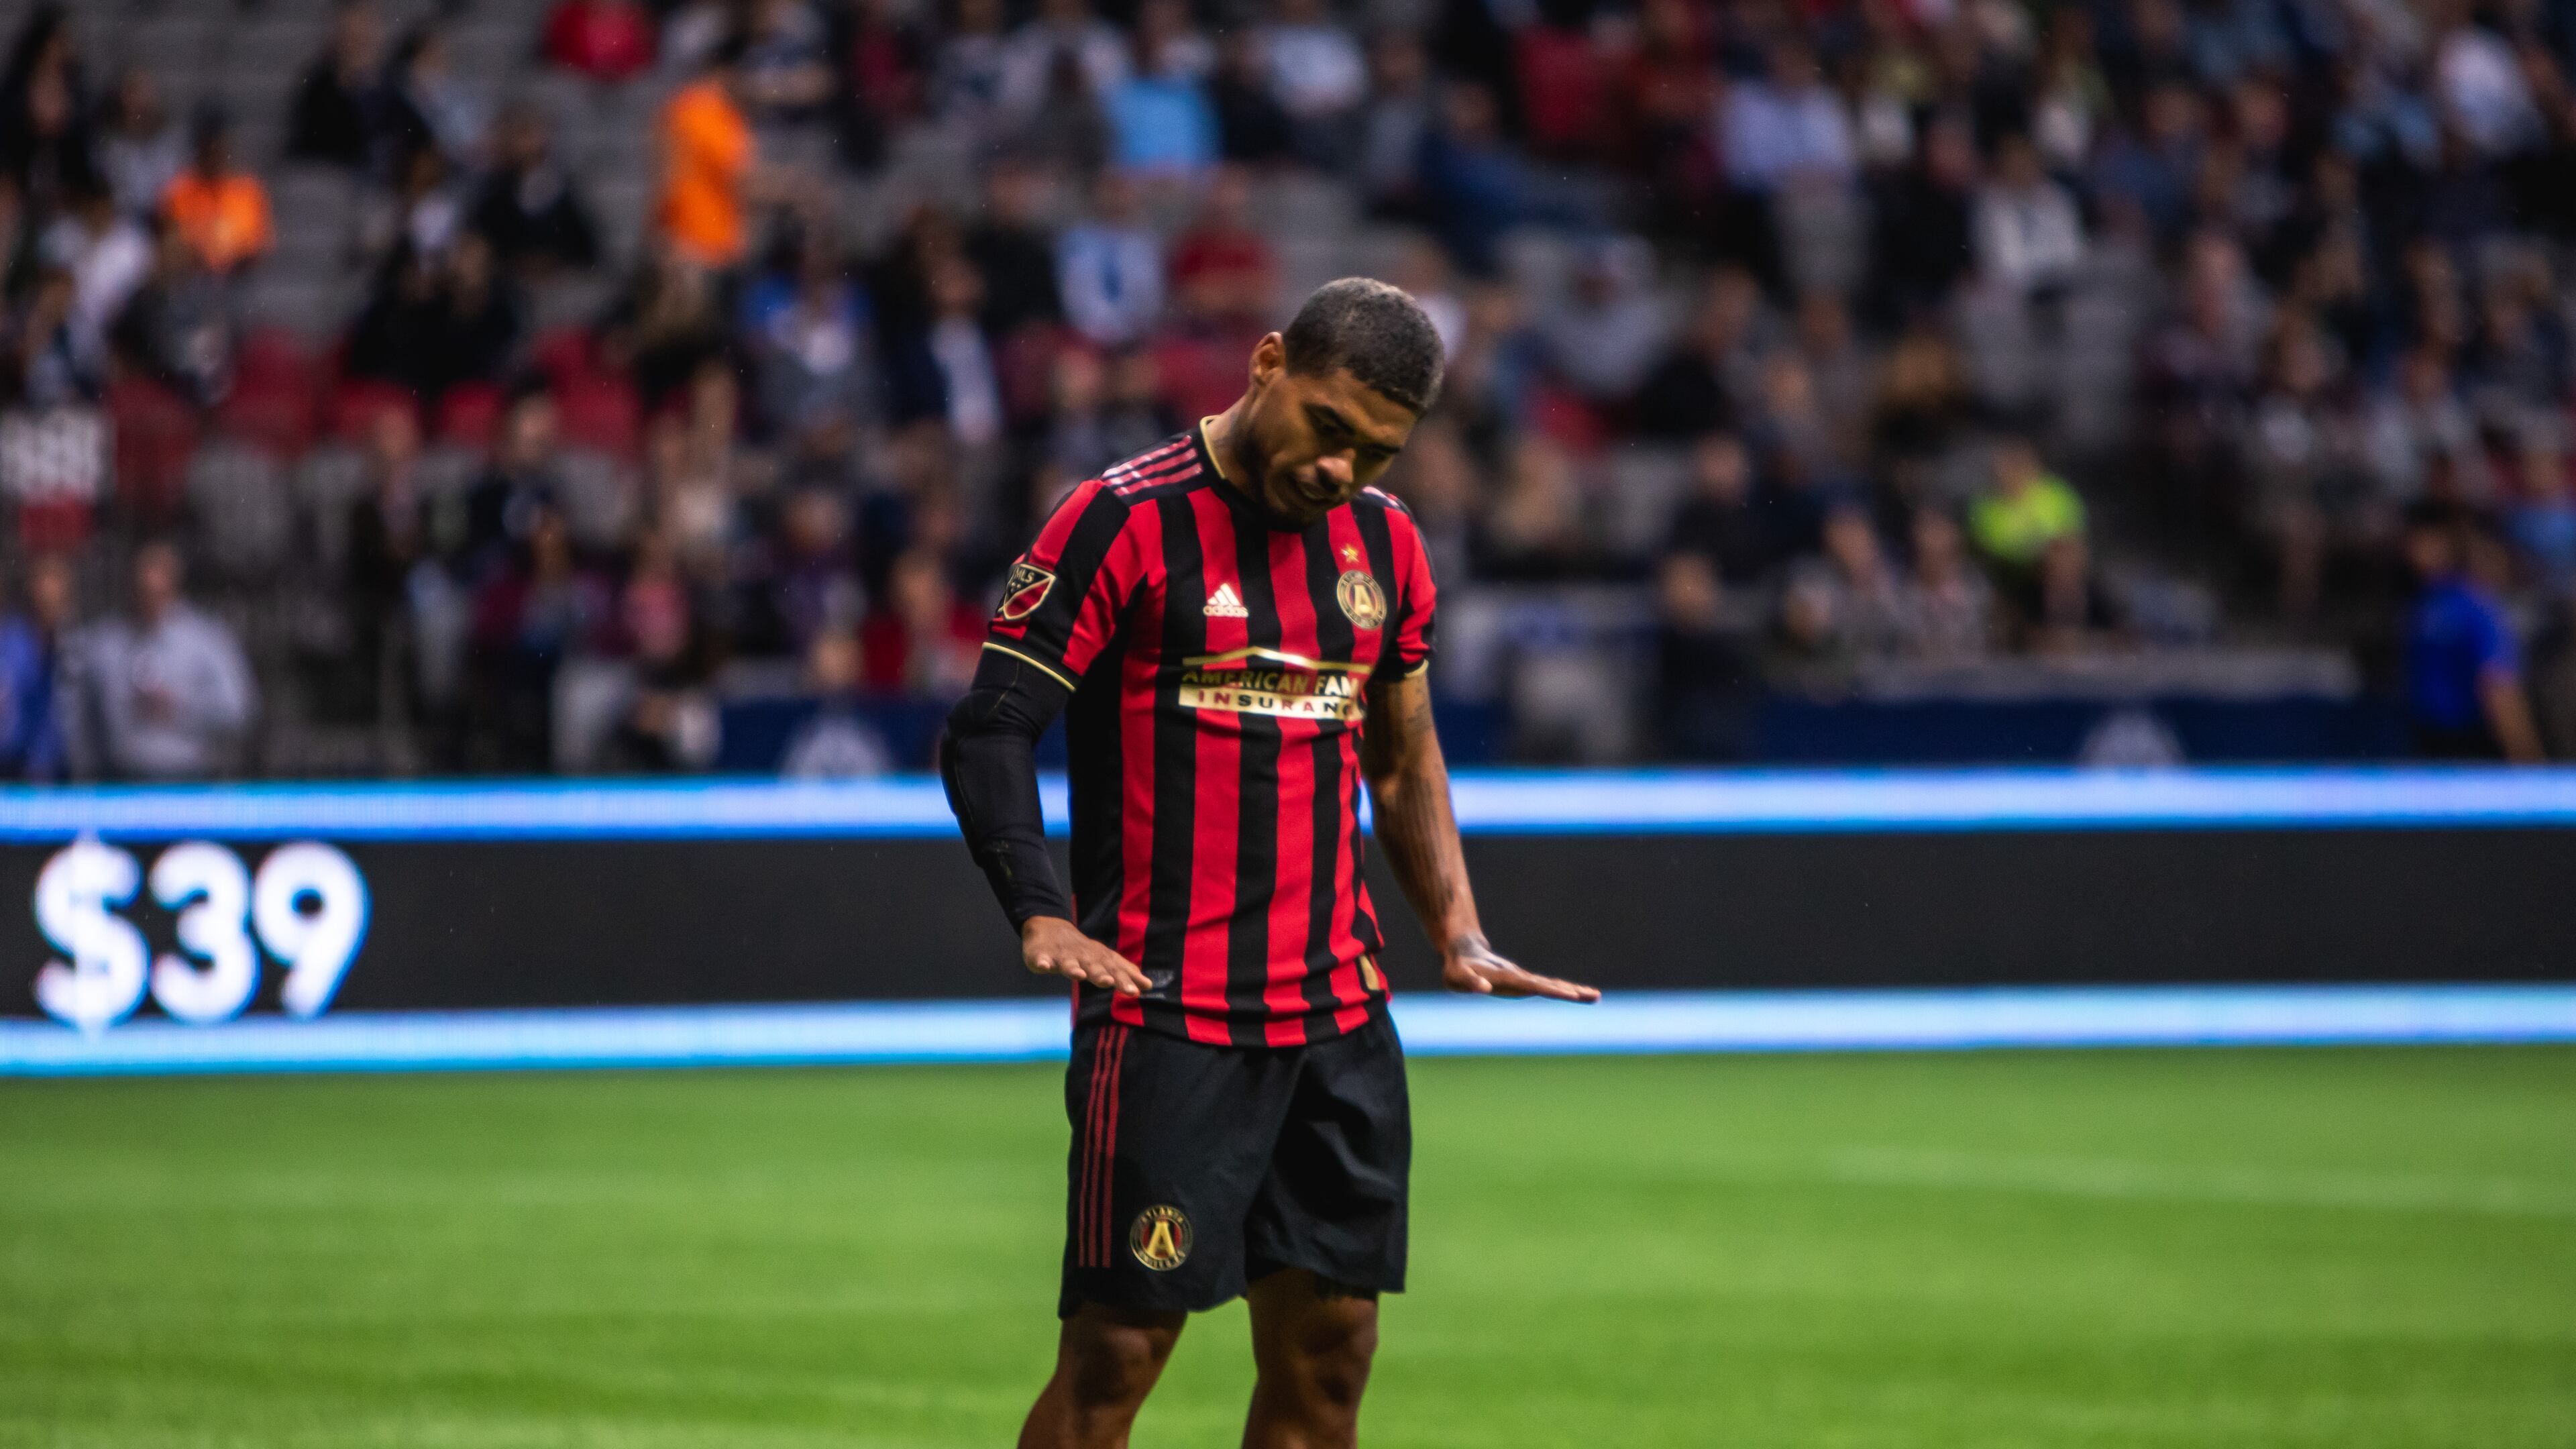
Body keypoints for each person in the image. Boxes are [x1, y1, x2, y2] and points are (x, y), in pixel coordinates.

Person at [940, 278, 1597, 1449]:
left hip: (1339, 1021)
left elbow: (1401, 762)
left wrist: (1457, 924)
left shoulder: (1385, 546)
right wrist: (1037, 909)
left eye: (1378, 453)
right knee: (1117, 1359)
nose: (1345, 470)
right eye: (1332, 428)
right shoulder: (1120, 520)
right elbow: (989, 728)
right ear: (1267, 364)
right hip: (1169, 1012)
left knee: (1332, 1358)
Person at [65, 540, 257, 780]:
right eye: (142, 592)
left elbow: (239, 709)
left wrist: (181, 708)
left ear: (174, 588)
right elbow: (78, 715)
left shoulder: (206, 640)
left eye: (158, 593)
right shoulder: (106, 644)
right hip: (118, 782)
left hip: (188, 780)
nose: (149, 601)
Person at [2402, 500, 2544, 761]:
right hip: (2429, 739)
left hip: (2469, 745)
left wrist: (2527, 759)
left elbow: (2498, 686)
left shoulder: (2474, 607)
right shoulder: (2428, 599)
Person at [159, 110, 272, 277]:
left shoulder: (247, 189)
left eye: (220, 144)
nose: (215, 151)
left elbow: (257, 246)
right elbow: (171, 246)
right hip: (191, 280)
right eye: (209, 144)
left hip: (240, 280)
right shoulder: (178, 190)